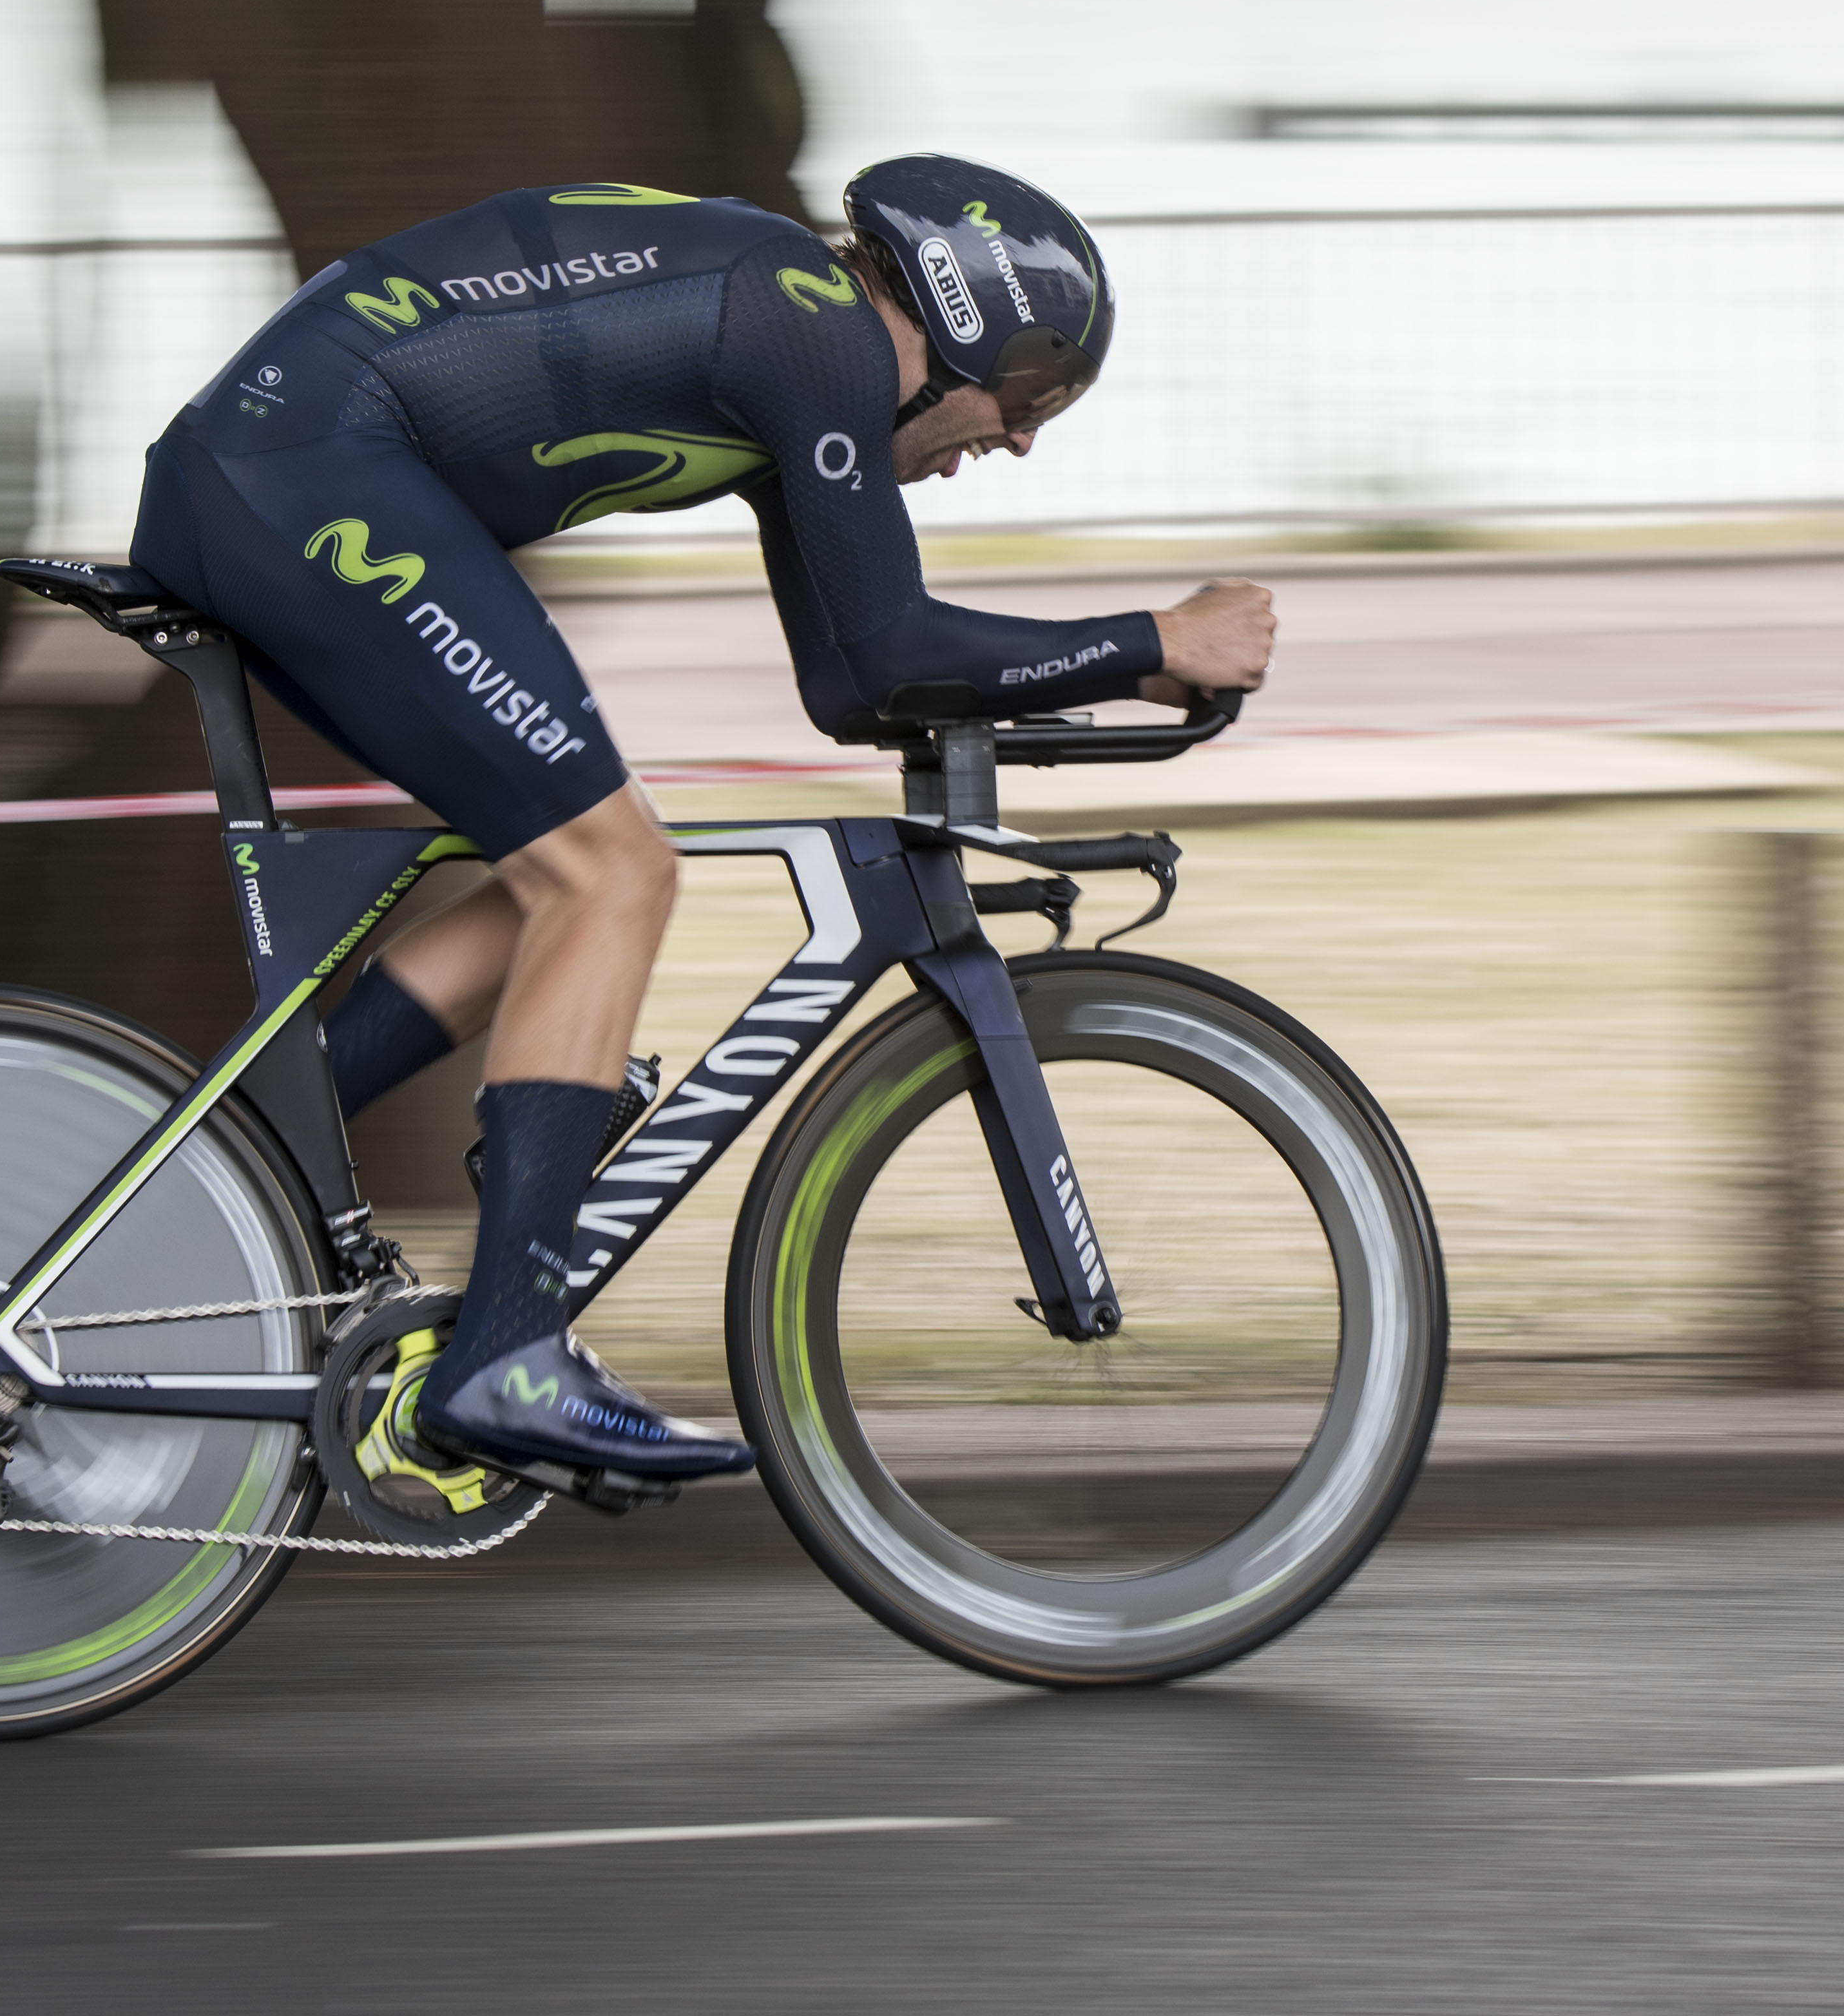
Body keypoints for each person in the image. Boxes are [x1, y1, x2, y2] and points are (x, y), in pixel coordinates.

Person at [130, 160, 1277, 1502]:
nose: (1017, 440)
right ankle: (506, 1349)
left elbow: (858, 680)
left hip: (272, 467)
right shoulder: (809, 329)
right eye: (1026, 398)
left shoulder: (791, 343)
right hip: (305, 466)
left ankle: (224, 1167)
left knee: (557, 887)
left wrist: (1123, 670)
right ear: (959, 323)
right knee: (613, 870)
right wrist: (1153, 635)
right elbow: (895, 643)